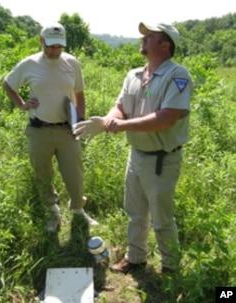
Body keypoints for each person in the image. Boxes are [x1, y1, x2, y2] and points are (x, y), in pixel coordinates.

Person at [74, 22, 193, 273]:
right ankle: (136, 258)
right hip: (136, 155)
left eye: (150, 36)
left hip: (162, 160)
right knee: (135, 212)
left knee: (162, 219)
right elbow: (121, 107)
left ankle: (170, 267)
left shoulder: (177, 76)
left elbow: (167, 118)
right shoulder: (134, 75)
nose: (143, 39)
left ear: (165, 45)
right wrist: (108, 120)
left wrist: (123, 125)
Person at [2, 22, 98, 233]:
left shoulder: (72, 63)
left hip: (67, 130)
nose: (55, 50)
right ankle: (52, 211)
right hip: (39, 130)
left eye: (59, 46)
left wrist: (80, 120)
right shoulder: (29, 64)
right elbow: (8, 84)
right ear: (41, 40)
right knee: (42, 174)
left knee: (75, 173)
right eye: (51, 46)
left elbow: (79, 94)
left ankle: (78, 210)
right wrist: (21, 104)